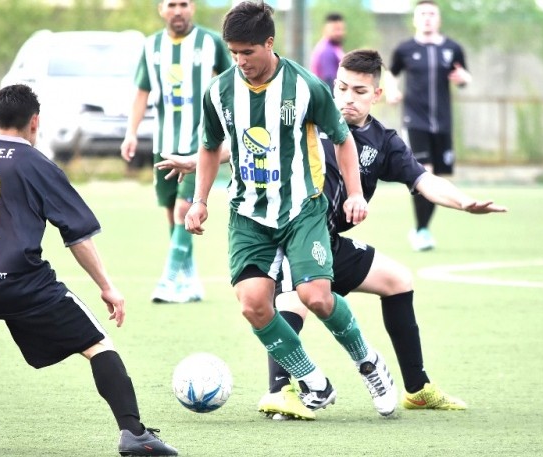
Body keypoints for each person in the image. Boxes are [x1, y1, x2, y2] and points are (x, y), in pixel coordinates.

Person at [157, 49, 506, 421]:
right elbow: (251, 139)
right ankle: (283, 391)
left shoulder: (384, 142)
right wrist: (197, 162)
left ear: (378, 94)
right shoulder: (313, 113)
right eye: (341, 88)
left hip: (327, 237)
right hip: (292, 227)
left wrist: (464, 202)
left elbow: (423, 180)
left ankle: (417, 389)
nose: (347, 98)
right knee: (293, 295)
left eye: (359, 91)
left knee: (398, 281)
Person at [0, 84, 178, 456]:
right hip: (19, 284)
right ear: (34, 123)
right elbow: (77, 236)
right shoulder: (38, 164)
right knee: (96, 343)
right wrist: (107, 286)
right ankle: (134, 433)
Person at [184, 1, 397, 417]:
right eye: (233, 52)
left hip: (303, 209)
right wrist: (199, 201)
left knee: (316, 297)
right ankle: (313, 380)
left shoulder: (306, 87)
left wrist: (354, 193)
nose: (241, 61)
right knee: (252, 304)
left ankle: (369, 363)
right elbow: (209, 147)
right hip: (248, 214)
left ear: (269, 42)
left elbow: (342, 139)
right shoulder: (220, 91)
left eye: (248, 51)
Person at [120, 0, 232, 303]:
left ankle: (169, 279)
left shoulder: (210, 42)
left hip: (199, 146)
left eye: (183, 4)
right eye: (172, 4)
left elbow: (235, 81)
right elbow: (142, 91)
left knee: (185, 209)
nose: (178, 10)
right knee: (172, 213)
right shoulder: (151, 45)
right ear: (162, 9)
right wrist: (131, 133)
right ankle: (190, 279)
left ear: (192, 8)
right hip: (164, 142)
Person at [385, 0, 472, 252]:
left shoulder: (452, 48)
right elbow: (392, 73)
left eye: (431, 14)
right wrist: (392, 91)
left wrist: (464, 79)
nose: (427, 18)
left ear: (439, 19)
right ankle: (421, 230)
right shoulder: (405, 49)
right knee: (426, 173)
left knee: (439, 177)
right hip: (415, 122)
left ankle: (422, 228)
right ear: (415, 19)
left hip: (442, 123)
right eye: (422, 13)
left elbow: (464, 76)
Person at [309, 12, 346, 91]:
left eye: (341, 29)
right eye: (335, 30)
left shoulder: (334, 47)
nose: (339, 33)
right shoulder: (326, 50)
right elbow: (329, 83)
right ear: (325, 30)